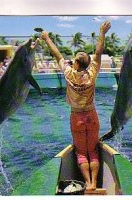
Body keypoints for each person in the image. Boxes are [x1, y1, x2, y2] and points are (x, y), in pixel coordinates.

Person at [40, 21, 111, 191]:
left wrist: (46, 38)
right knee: (93, 151)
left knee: (81, 153)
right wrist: (102, 32)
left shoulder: (69, 73)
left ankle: (88, 183)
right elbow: (99, 52)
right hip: (91, 116)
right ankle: (95, 182)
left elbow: (57, 54)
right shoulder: (92, 74)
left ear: (77, 64)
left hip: (77, 117)